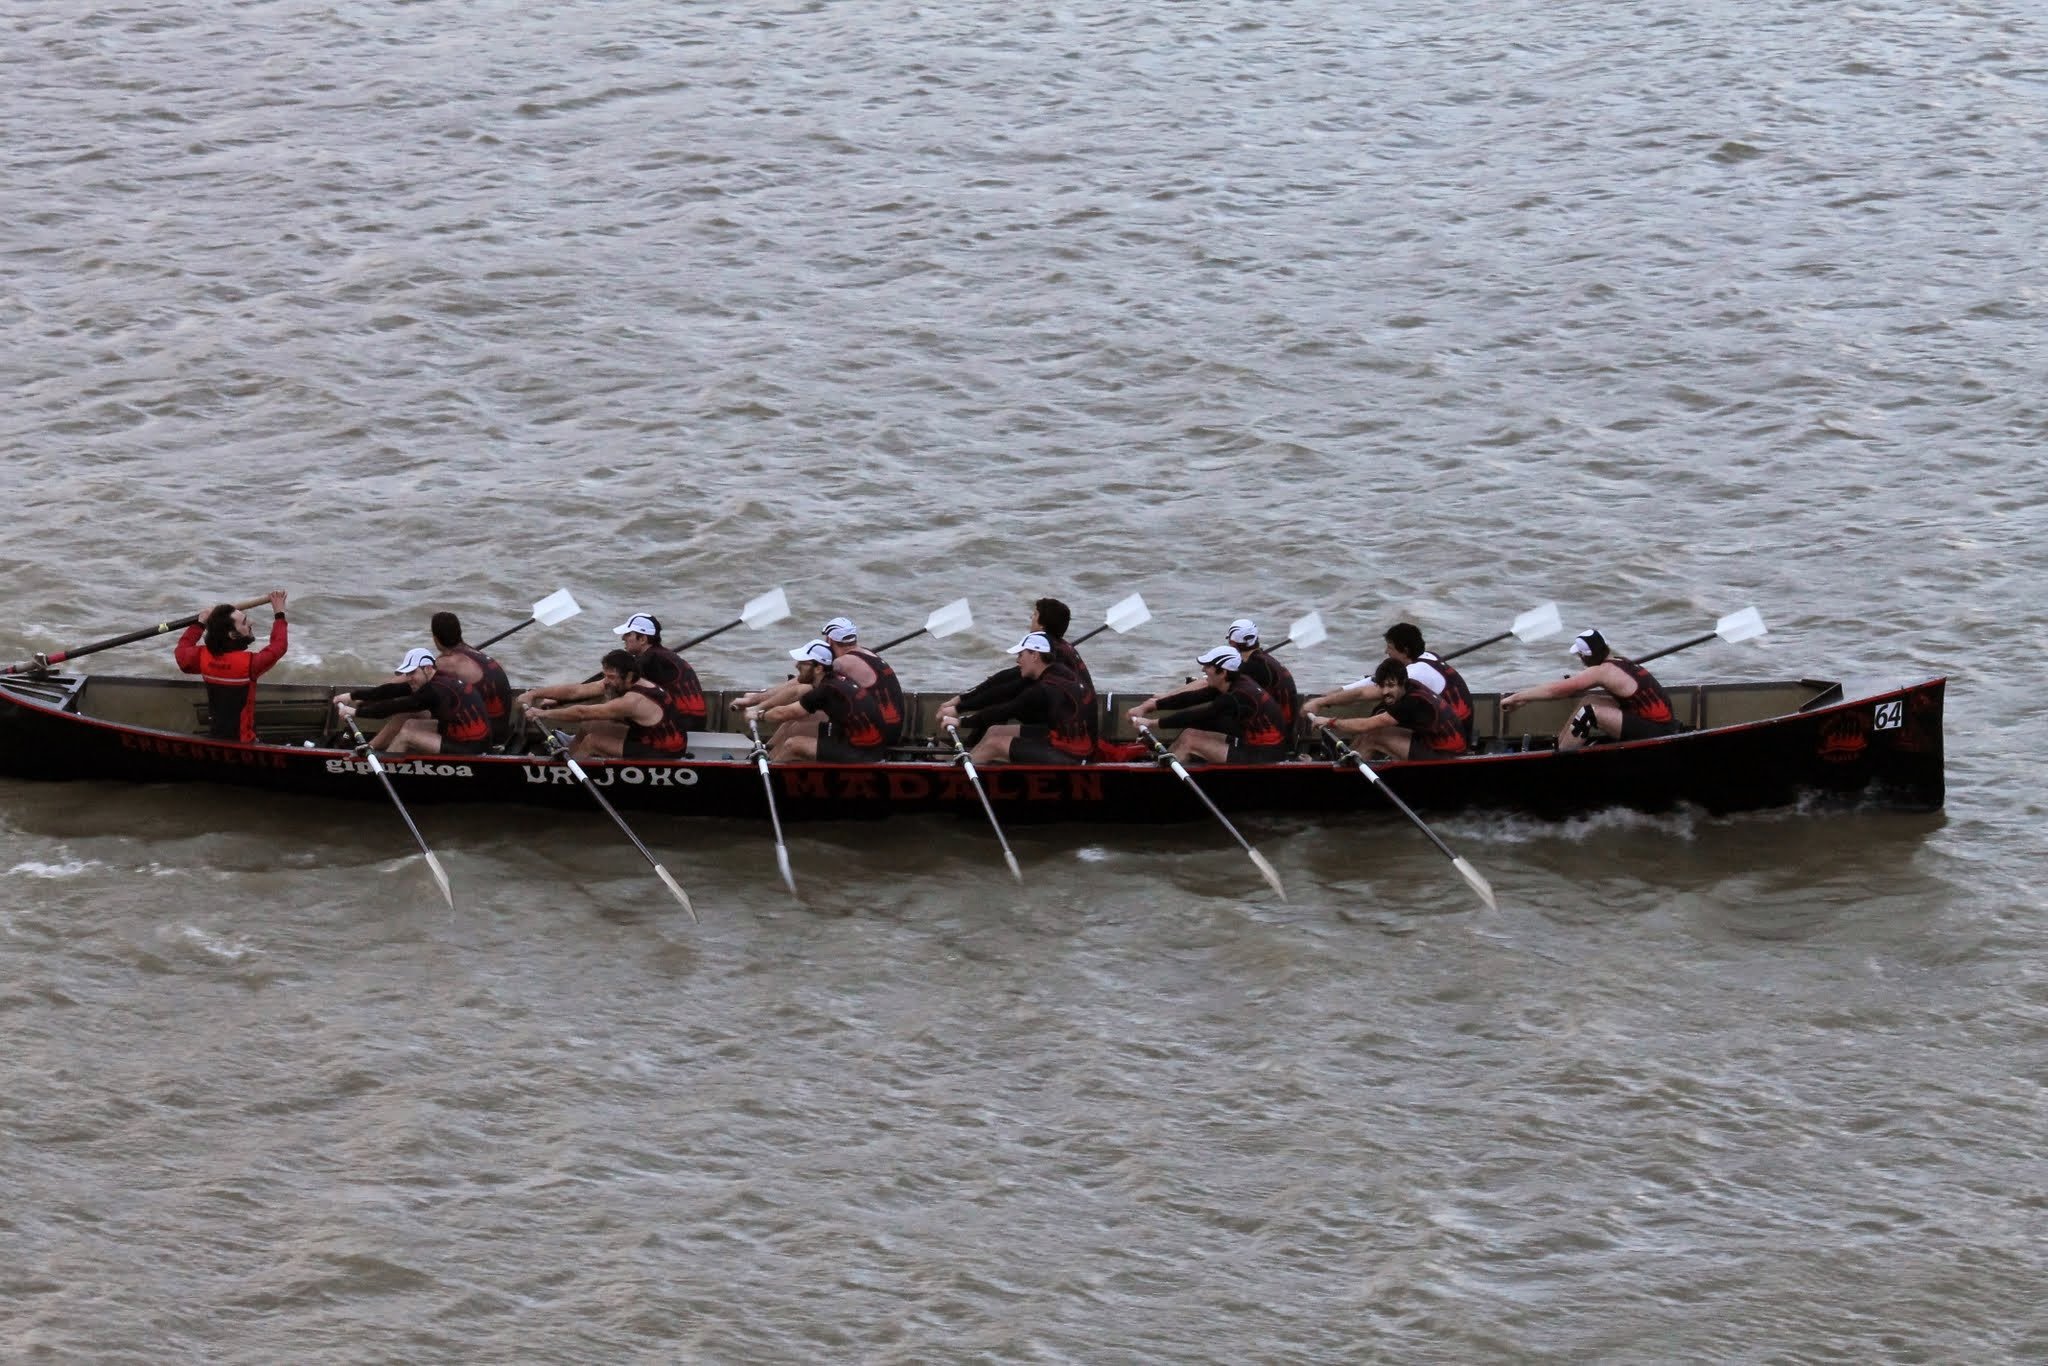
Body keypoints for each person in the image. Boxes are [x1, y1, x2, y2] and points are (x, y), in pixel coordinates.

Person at [514, 610, 707, 744]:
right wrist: (558, 700)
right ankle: (580, 742)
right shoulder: (657, 656)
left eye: (627, 635)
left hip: (681, 727)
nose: (623, 638)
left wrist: (536, 693)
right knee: (607, 696)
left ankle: (581, 750)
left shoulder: (647, 662)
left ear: (643, 638)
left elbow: (585, 690)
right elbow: (591, 689)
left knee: (593, 717)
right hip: (688, 720)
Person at [937, 597, 1098, 751]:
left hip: (1071, 732)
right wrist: (960, 701)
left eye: (1034, 614)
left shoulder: (1052, 652)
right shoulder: (1057, 646)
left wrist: (960, 710)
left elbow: (1010, 688)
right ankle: (972, 747)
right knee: (1006, 697)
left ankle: (972, 750)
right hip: (1061, 714)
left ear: (1042, 625)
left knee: (1007, 700)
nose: (1031, 617)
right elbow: (1005, 677)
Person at [1501, 628, 1681, 750]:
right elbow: (1574, 685)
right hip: (1650, 720)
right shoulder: (1619, 661)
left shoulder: (1602, 671)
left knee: (1589, 713)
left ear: (1585, 656)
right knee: (1589, 701)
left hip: (1659, 731)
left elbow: (1555, 690)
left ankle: (1557, 759)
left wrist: (1517, 698)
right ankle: (1559, 746)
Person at [1303, 622, 1475, 746]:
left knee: (1376, 723)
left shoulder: (1415, 672)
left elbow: (1364, 693)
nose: (1386, 651)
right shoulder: (1430, 656)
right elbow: (1372, 680)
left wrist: (1321, 702)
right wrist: (1337, 691)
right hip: (1452, 726)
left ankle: (1355, 761)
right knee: (1381, 711)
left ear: (1405, 651)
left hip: (1451, 736)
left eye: (1390, 648)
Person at [945, 632, 1094, 765]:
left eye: (1021, 655)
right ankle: (969, 763)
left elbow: (1004, 711)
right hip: (1064, 739)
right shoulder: (1061, 672)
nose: (1018, 661)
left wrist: (960, 722)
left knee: (994, 745)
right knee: (994, 730)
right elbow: (1004, 687)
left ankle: (958, 775)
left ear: (1035, 656)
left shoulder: (1042, 689)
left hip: (1071, 754)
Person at [1124, 645, 1290, 764]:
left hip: (1263, 755)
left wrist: (1151, 723)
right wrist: (1147, 707)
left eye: (1208, 666)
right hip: (1250, 742)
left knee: (1190, 741)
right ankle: (1163, 762)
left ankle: (1160, 779)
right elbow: (1190, 698)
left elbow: (1199, 716)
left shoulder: (1237, 696)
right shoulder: (1232, 682)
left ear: (1223, 672)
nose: (1203, 670)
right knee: (1189, 733)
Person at [750, 634, 901, 762]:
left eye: (802, 663)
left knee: (793, 745)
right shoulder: (833, 680)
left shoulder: (827, 690)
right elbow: (792, 708)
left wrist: (758, 715)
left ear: (818, 668)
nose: (796, 666)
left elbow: (783, 713)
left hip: (863, 751)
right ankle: (767, 758)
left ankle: (768, 777)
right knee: (798, 725)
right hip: (848, 735)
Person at [523, 649, 689, 759]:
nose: (606, 682)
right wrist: (534, 693)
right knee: (590, 725)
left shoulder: (633, 701)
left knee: (592, 741)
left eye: (611, 677)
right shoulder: (632, 681)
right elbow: (576, 692)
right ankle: (569, 760)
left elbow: (582, 712)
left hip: (663, 751)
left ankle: (566, 776)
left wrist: (541, 713)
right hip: (646, 736)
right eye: (606, 676)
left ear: (629, 676)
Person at [176, 589, 289, 743]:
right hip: (243, 740)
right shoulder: (250, 664)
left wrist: (199, 624)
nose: (251, 623)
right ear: (232, 635)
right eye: (244, 622)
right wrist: (279, 614)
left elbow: (181, 653)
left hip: (216, 734)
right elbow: (279, 646)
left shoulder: (202, 656)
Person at [335, 648, 492, 755]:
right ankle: (373, 749)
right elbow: (389, 691)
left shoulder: (433, 691)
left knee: (407, 735)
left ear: (428, 668)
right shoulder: (434, 679)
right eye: (407, 673)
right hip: (454, 730)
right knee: (408, 722)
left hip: (471, 747)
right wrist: (351, 696)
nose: (408, 677)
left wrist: (354, 712)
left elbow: (390, 708)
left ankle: (381, 770)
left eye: (412, 672)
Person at [1305, 658, 1467, 760]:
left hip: (1446, 755)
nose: (1385, 692)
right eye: (1382, 686)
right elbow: (1360, 693)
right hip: (1430, 740)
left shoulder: (1412, 701)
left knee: (1373, 736)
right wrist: (1321, 701)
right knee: (1371, 732)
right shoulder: (1408, 685)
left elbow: (1366, 724)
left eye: (1390, 686)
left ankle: (1347, 777)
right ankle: (1345, 761)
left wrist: (1329, 721)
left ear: (1403, 681)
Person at [429, 611, 514, 747]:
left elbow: (412, 678)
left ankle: (384, 754)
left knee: (411, 712)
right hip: (501, 729)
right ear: (459, 633)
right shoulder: (474, 653)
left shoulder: (447, 663)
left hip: (487, 736)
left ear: (435, 639)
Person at [1224, 618, 1303, 741]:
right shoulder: (1263, 661)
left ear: (1232, 643)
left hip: (1277, 733)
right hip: (1285, 727)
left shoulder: (1255, 667)